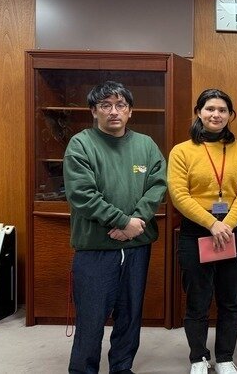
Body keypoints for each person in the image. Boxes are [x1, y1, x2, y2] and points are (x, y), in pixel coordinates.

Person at [64, 81, 167, 374]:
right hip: (95, 249)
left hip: (137, 247)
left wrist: (135, 224)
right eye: (105, 105)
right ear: (93, 111)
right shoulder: (81, 144)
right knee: (91, 318)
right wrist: (123, 222)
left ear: (130, 111)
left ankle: (122, 368)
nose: (113, 111)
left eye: (120, 105)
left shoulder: (146, 145)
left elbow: (158, 186)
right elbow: (82, 194)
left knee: (130, 316)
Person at [168, 89, 237, 374]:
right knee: (198, 299)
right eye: (210, 109)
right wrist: (211, 223)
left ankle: (225, 357)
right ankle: (198, 357)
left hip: (231, 230)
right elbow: (179, 195)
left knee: (230, 300)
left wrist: (226, 224)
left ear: (230, 115)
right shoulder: (182, 151)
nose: (216, 114)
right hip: (196, 230)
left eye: (222, 110)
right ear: (199, 112)